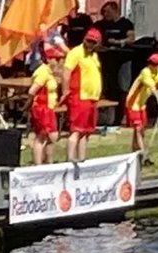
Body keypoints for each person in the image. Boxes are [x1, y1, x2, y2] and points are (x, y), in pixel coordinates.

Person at [64, 27, 103, 163]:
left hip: (92, 98)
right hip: (80, 96)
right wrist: (65, 91)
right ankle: (70, 158)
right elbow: (66, 73)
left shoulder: (94, 55)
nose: (90, 44)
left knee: (85, 132)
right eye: (88, 41)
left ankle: (82, 159)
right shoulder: (75, 53)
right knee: (76, 130)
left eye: (93, 42)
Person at [29, 45, 63, 165]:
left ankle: (49, 162)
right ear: (48, 59)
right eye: (56, 59)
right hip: (41, 108)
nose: (58, 62)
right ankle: (38, 164)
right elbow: (32, 91)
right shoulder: (43, 72)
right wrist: (27, 106)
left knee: (51, 136)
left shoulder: (50, 72)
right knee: (44, 135)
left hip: (49, 108)